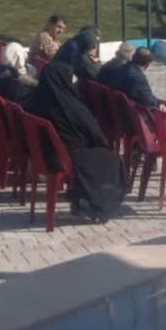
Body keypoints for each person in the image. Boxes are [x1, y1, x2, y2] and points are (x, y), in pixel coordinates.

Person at [23, 63, 126, 221]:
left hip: (44, 153)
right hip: (67, 156)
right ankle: (96, 203)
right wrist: (102, 143)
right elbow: (93, 131)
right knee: (113, 159)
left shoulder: (35, 100)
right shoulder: (70, 104)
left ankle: (81, 197)